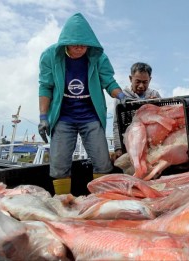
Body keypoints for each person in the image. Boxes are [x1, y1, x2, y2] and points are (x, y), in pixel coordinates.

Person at [38, 13, 128, 193]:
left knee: (103, 162)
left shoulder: (98, 57)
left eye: (83, 45)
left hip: (90, 116)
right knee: (59, 164)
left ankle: (102, 202)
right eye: (74, 44)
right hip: (63, 117)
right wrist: (43, 117)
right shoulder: (50, 56)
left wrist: (122, 96)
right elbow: (45, 86)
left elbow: (109, 82)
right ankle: (63, 202)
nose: (79, 48)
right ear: (65, 43)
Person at [113, 62, 161, 160]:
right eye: (138, 81)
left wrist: (156, 105)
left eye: (145, 82)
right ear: (131, 79)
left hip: (151, 142)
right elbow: (116, 124)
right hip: (130, 142)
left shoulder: (155, 94)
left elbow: (163, 117)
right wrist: (118, 148)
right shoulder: (122, 97)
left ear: (150, 80)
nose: (141, 86)